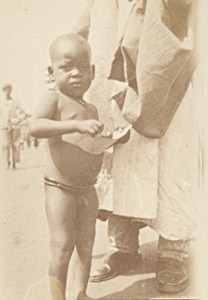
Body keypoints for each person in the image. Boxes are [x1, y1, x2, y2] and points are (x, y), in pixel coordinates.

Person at [73, 0, 200, 294]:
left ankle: (173, 252)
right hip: (113, 72)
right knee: (118, 160)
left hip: (166, 68)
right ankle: (123, 247)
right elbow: (84, 26)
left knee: (170, 161)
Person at [29, 33, 104, 300]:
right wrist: (75, 125)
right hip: (60, 190)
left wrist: (111, 139)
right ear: (52, 72)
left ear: (92, 71)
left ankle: (80, 292)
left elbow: (91, 147)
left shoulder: (92, 109)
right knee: (62, 247)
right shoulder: (54, 99)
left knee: (86, 244)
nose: (76, 74)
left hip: (88, 189)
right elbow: (35, 126)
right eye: (66, 67)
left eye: (83, 68)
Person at [0, 83, 28, 169]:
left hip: (15, 125)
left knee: (15, 145)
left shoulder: (15, 102)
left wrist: (18, 119)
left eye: (9, 89)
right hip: (5, 126)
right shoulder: (1, 102)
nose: (7, 92)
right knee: (5, 145)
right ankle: (7, 162)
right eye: (5, 90)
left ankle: (14, 163)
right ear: (3, 91)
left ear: (11, 90)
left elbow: (24, 113)